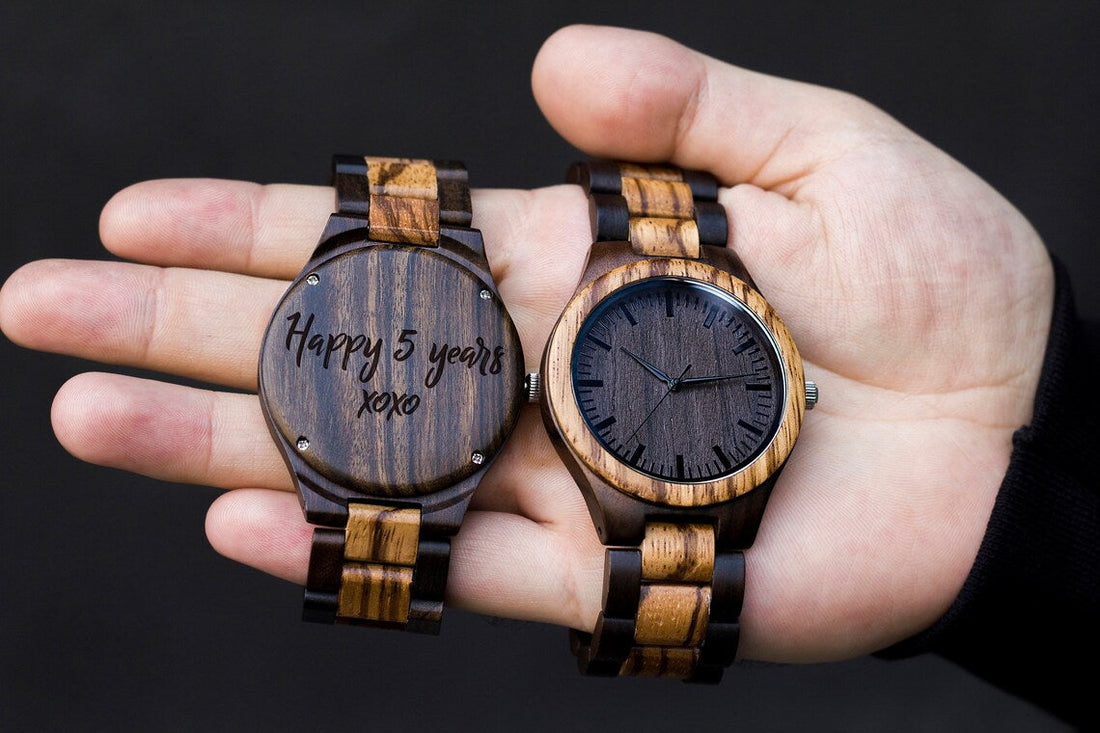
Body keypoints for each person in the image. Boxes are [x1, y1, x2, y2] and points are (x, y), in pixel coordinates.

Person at [0, 25, 1093, 727]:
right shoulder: (603, 300)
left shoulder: (657, 316)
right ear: (542, 374)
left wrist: (1040, 448)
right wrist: (1055, 449)